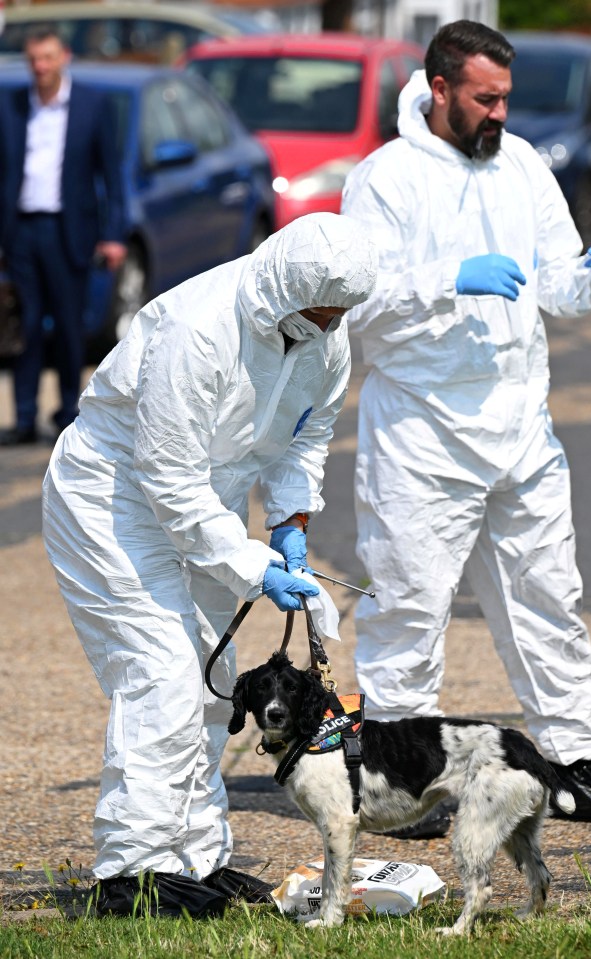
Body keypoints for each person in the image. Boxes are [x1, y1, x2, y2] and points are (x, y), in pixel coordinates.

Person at [341, 19, 591, 837]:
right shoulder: (383, 181)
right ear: (440, 88)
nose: (498, 114)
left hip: (518, 423)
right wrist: (450, 278)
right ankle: (396, 774)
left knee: (545, 594)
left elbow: (554, 281)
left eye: (506, 99)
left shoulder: (520, 165)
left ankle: (575, 757)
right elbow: (361, 304)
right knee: (409, 606)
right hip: (421, 433)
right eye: (485, 99)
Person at [41, 212, 377, 916]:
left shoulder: (324, 333)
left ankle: (193, 858)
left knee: (211, 679)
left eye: (339, 313)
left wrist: (288, 525)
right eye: (320, 311)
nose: (330, 324)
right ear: (284, 291)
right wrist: (254, 564)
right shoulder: (200, 329)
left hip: (204, 501)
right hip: (113, 498)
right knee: (160, 671)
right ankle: (131, 872)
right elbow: (165, 479)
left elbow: (305, 436)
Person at [0, 25, 126, 446]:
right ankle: (23, 416)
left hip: (69, 230)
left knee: (70, 327)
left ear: (63, 56)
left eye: (47, 58)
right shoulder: (13, 105)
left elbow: (111, 173)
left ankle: (69, 411)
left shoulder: (92, 105)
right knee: (25, 326)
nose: (40, 67)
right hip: (20, 230)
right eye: (33, 60)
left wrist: (113, 233)